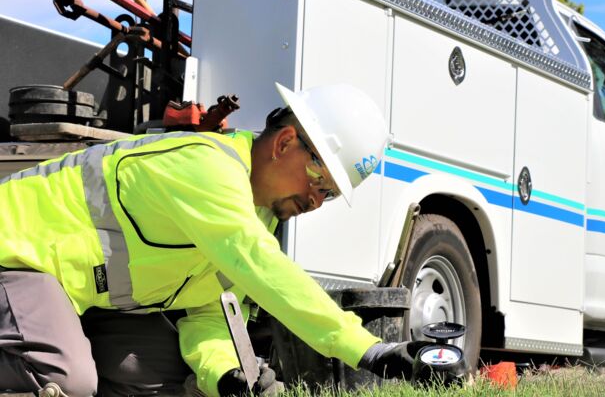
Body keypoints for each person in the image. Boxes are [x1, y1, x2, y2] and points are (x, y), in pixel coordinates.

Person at [0, 82, 418, 396]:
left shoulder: (258, 216)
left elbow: (209, 316)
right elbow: (259, 263)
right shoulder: (208, 167)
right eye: (319, 180)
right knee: (64, 377)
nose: (317, 201)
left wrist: (226, 377)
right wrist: (368, 350)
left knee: (166, 373)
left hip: (78, 293)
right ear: (286, 142)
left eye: (330, 194)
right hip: (15, 258)